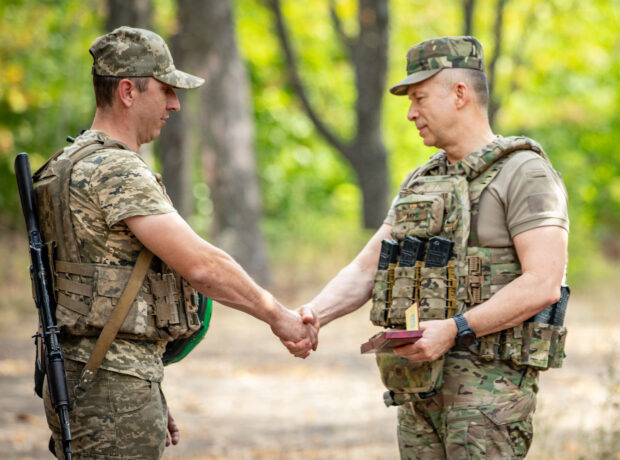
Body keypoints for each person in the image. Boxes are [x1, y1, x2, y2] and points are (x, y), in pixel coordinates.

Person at [35, 26, 317, 459]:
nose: (174, 103)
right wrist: (277, 315)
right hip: (109, 383)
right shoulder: (116, 170)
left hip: (88, 375)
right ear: (128, 91)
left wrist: (145, 388)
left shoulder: (65, 165)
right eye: (165, 90)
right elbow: (202, 265)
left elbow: (99, 287)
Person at [284, 36, 569, 458]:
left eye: (419, 97)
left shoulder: (525, 173)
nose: (411, 113)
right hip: (419, 388)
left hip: (488, 397)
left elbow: (543, 283)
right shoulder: (421, 182)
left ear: (460, 94)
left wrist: (455, 330)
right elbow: (368, 267)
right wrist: (314, 314)